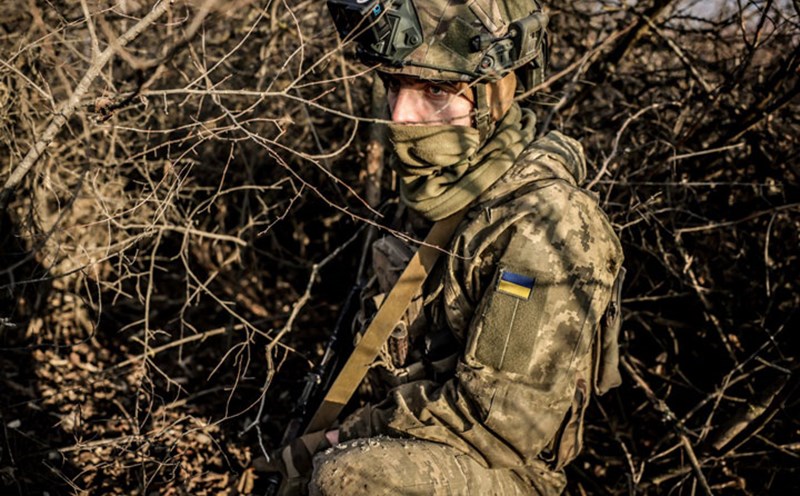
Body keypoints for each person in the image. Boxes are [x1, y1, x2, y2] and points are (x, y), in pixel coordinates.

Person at [258, 0, 625, 494]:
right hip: (414, 436)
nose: (402, 117)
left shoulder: (544, 227)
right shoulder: (436, 190)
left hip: (502, 468)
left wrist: (336, 441)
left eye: (435, 90)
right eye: (394, 86)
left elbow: (497, 423)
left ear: (495, 94)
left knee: (349, 479)